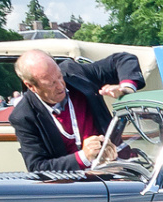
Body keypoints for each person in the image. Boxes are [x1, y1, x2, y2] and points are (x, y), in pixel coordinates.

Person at [10, 48, 144, 172]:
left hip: (121, 168)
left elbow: (124, 59)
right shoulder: (24, 116)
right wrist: (83, 157)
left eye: (59, 76)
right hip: (76, 186)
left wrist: (126, 88)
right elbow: (37, 167)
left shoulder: (74, 73)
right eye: (51, 83)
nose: (61, 85)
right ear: (31, 86)